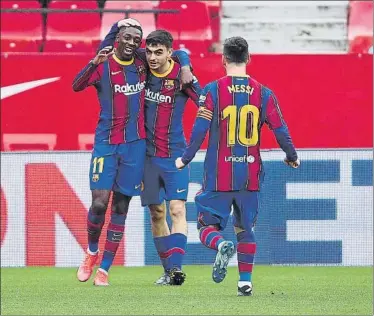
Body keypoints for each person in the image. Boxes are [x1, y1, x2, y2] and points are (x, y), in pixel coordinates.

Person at [175, 36, 300, 296]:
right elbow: (280, 128)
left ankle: (220, 244)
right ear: (249, 58)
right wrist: (291, 155)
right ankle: (245, 282)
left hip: (218, 176)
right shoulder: (264, 93)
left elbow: (200, 128)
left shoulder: (211, 91)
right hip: (250, 176)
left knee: (205, 227)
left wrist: (185, 158)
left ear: (223, 60)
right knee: (245, 229)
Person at [73, 19, 193, 286]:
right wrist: (93, 61)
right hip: (106, 143)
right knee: (99, 203)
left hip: (136, 146)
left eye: (135, 39)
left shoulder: (142, 61)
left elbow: (175, 50)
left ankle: (104, 269)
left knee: (120, 206)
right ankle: (92, 251)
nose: (131, 43)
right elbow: (76, 85)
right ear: (117, 37)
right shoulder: (103, 63)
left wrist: (185, 64)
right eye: (126, 37)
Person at [100, 27, 202, 285]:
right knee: (157, 213)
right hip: (145, 157)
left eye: (160, 52)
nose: (154, 57)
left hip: (175, 155)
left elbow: (204, 106)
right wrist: (184, 59)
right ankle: (168, 271)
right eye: (151, 52)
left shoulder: (182, 78)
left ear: (169, 53)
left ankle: (177, 269)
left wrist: (186, 66)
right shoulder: (141, 68)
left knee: (177, 208)